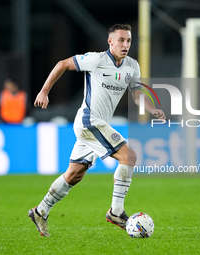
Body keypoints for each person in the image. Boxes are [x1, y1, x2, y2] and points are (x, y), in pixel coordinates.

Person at [29, 23, 165, 237]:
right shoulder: (96, 59)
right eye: (121, 40)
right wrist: (44, 91)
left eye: (128, 40)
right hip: (89, 121)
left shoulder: (132, 66)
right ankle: (116, 211)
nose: (125, 44)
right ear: (110, 41)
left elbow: (137, 95)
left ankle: (40, 211)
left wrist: (152, 108)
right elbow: (62, 64)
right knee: (129, 156)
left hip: (98, 124)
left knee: (74, 175)